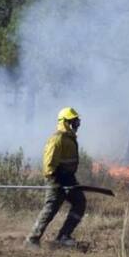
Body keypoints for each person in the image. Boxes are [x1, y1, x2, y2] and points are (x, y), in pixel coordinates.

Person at [25, 107, 86, 249]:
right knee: (51, 207)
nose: (76, 124)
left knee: (80, 202)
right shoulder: (57, 138)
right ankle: (32, 239)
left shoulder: (69, 138)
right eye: (73, 121)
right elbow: (49, 163)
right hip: (57, 179)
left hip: (68, 178)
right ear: (65, 122)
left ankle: (64, 236)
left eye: (77, 121)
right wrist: (54, 180)